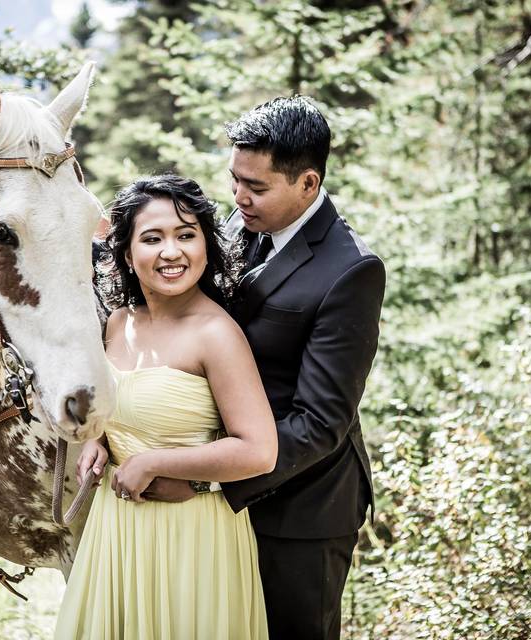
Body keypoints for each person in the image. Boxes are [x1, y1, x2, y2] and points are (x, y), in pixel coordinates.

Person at [141, 97, 386, 639]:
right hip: (220, 493)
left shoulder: (351, 271)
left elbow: (321, 422)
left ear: (307, 182)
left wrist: (206, 480)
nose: (238, 197)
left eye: (256, 186)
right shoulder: (240, 223)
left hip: (301, 511)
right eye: (234, 180)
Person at [55, 174, 277, 640]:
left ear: (206, 246)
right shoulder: (117, 323)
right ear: (127, 253)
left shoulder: (216, 334)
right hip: (116, 531)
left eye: (186, 235)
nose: (171, 252)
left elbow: (259, 451)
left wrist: (154, 462)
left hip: (192, 538)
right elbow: (119, 401)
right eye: (152, 238)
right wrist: (99, 437)